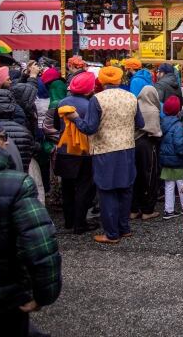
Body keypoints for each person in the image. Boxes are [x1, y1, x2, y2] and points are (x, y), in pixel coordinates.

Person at [0, 134, 61, 336]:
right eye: (2, 137)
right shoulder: (15, 184)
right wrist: (44, 293)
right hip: (4, 299)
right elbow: (40, 246)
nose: (7, 142)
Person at [71, 66, 144, 244]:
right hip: (127, 147)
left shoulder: (98, 99)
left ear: (102, 81)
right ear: (120, 79)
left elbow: (89, 128)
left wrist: (75, 118)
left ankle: (111, 233)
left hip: (105, 150)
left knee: (107, 190)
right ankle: (124, 228)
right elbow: (140, 123)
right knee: (125, 188)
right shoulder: (131, 97)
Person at [54, 71, 97, 234]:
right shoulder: (90, 105)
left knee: (67, 186)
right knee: (83, 188)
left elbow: (57, 126)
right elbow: (92, 128)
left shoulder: (61, 102)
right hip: (84, 152)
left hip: (64, 150)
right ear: (88, 89)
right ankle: (80, 224)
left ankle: (68, 220)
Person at [129, 85, 162, 221]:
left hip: (133, 144)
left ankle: (133, 209)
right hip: (148, 145)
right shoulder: (153, 110)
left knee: (134, 176)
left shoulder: (134, 107)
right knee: (149, 177)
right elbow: (156, 132)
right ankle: (147, 209)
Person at [160, 96, 183, 219]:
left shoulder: (163, 122)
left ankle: (169, 210)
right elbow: (179, 143)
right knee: (181, 183)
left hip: (166, 159)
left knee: (169, 184)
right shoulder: (178, 125)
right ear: (177, 110)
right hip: (177, 159)